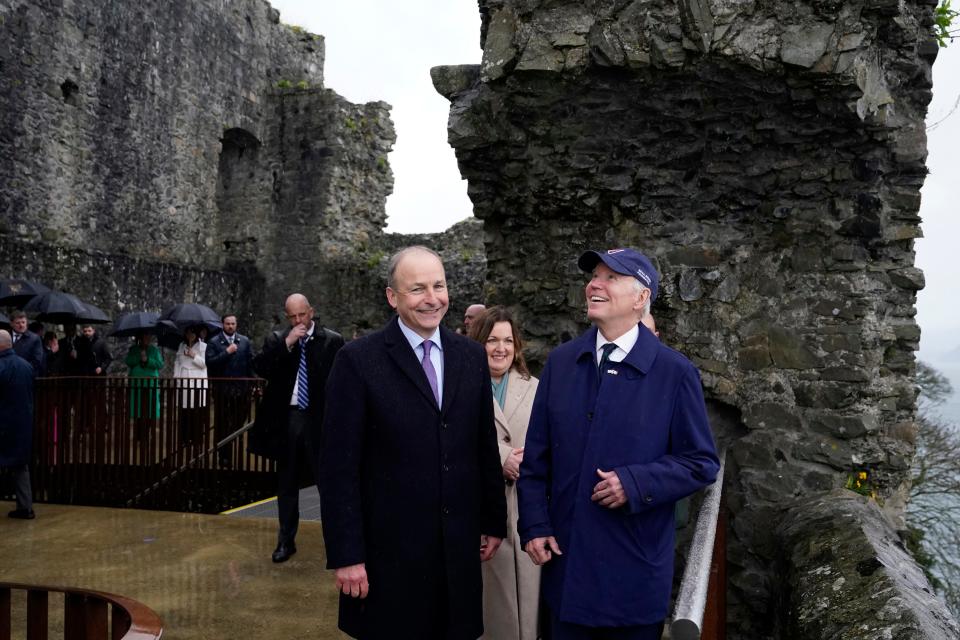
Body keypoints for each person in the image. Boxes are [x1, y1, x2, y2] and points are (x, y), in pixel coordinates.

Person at [517, 248, 720, 640]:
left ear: (641, 297)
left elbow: (700, 462)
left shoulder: (675, 372)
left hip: (632, 579)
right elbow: (536, 462)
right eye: (594, 276)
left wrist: (635, 483)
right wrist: (534, 524)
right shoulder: (561, 364)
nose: (595, 284)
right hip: (567, 573)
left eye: (611, 277)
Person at [320, 246, 507, 640]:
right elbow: (338, 468)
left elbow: (482, 446)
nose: (432, 298)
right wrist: (347, 555)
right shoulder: (357, 361)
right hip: (388, 561)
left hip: (457, 555)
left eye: (438, 286)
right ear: (393, 297)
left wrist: (493, 520)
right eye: (417, 288)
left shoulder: (471, 357)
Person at [251, 294, 343, 563]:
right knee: (287, 483)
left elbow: (340, 381)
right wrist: (287, 344)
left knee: (327, 484)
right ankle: (286, 541)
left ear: (311, 311)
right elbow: (261, 367)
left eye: (302, 315)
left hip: (319, 421)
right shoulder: (278, 340)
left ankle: (336, 544)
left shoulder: (331, 340)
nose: (298, 321)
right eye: (292, 316)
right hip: (288, 419)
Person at [469, 307, 541, 640]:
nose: (501, 348)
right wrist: (502, 457)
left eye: (508, 341)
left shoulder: (536, 388)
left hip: (525, 509)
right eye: (492, 340)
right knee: (490, 611)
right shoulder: (461, 389)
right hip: (481, 509)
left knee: (528, 609)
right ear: (478, 342)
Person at [205, 314, 255, 464]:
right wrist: (227, 352)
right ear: (222, 324)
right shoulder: (213, 342)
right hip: (222, 390)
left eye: (233, 323)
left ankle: (230, 447)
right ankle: (224, 455)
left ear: (236, 324)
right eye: (228, 324)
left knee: (238, 421)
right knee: (222, 422)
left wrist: (254, 383)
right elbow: (210, 363)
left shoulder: (244, 341)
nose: (231, 326)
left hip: (241, 390)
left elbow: (250, 363)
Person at [0, 330, 37, 519]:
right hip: (23, 423)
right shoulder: (26, 366)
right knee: (20, 466)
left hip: (3, 423)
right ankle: (25, 507)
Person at [174, 326, 208, 445]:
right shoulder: (181, 346)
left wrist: (194, 356)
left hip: (198, 382)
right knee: (184, 411)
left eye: (193, 332)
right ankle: (184, 438)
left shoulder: (203, 346)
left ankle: (196, 438)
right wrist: (177, 378)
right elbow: (177, 363)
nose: (190, 335)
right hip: (184, 381)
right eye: (188, 332)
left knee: (196, 412)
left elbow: (204, 364)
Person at [125, 332, 163, 422]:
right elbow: (128, 361)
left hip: (150, 384)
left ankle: (149, 427)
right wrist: (139, 357)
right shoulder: (134, 349)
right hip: (136, 383)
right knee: (137, 407)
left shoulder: (154, 350)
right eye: (144, 336)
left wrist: (147, 360)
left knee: (150, 408)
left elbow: (159, 364)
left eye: (148, 336)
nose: (146, 338)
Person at [10, 311, 43, 376]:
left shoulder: (34, 339)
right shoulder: (5, 335)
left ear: (26, 323)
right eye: (17, 323)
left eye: (23, 322)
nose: (21, 325)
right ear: (11, 324)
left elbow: (36, 361)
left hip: (24, 375)